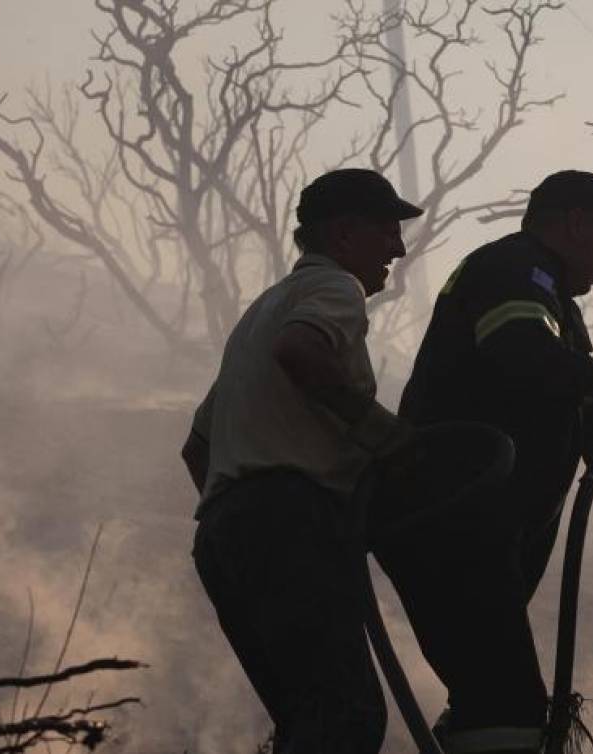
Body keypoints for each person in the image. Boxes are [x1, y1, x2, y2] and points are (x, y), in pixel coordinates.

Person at [384, 169, 593, 754]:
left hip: (468, 532)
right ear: (577, 222)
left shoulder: (550, 298)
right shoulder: (515, 270)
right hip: (452, 523)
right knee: (507, 708)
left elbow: (578, 414)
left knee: (490, 699)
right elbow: (523, 355)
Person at [180, 168, 422, 754]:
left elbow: (197, 447)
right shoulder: (334, 289)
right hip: (286, 525)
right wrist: (380, 434)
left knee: (307, 720)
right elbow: (300, 350)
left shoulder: (260, 313)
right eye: (388, 231)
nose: (398, 247)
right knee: (347, 719)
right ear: (343, 235)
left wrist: (241, 505)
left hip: (224, 537)